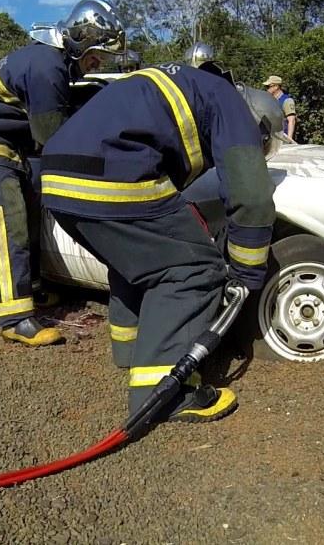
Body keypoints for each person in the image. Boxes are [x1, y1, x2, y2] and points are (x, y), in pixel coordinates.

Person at [40, 60, 284, 423]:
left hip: (57, 179)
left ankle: (132, 352)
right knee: (195, 268)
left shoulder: (188, 85)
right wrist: (246, 273)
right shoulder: (230, 103)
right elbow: (252, 197)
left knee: (141, 259)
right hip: (108, 175)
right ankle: (164, 394)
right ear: (259, 125)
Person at [0, 0, 126, 347]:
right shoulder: (47, 68)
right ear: (81, 41)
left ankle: (31, 288)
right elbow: (52, 139)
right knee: (7, 223)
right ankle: (14, 319)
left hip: (12, 142)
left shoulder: (54, 61)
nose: (97, 63)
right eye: (96, 55)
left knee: (31, 214)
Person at [263, 75, 296, 140]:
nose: (267, 89)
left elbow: (291, 120)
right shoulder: (271, 101)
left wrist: (289, 139)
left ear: (276, 87)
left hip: (283, 140)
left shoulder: (287, 101)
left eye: (268, 86)